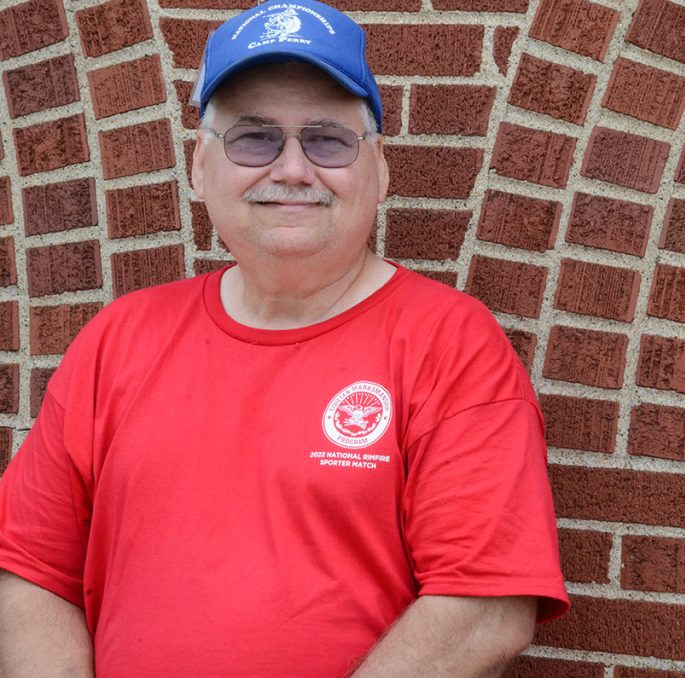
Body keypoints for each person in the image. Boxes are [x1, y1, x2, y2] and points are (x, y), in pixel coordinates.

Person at [0, 1, 569, 675]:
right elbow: (27, 570)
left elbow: (485, 608)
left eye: (327, 139)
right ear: (200, 166)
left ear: (379, 170)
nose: (292, 168)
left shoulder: (450, 344)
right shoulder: (120, 339)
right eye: (253, 138)